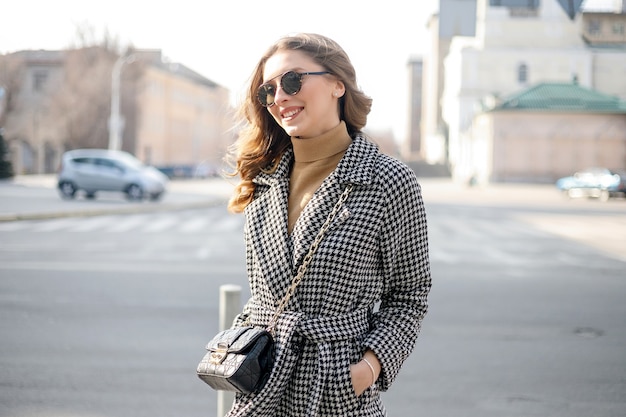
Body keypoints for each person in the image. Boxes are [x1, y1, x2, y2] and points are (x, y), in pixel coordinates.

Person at [224, 32, 431, 417]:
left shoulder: (387, 180)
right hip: (263, 384)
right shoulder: (263, 180)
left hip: (334, 390)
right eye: (268, 91)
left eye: (292, 80)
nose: (280, 97)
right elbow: (264, 294)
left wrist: (368, 368)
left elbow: (409, 295)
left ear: (338, 84)